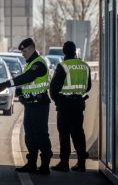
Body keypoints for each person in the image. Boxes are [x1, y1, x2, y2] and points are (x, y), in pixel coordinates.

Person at [0, 38, 53, 175]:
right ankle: (31, 164)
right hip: (30, 105)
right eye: (22, 51)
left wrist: (7, 84)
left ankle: (44, 166)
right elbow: (30, 84)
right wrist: (21, 92)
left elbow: (27, 77)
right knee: (30, 136)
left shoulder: (38, 64)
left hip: (39, 106)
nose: (23, 54)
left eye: (25, 51)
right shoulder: (31, 63)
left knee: (41, 135)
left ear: (32, 49)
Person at [49, 41, 92, 172]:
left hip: (65, 105)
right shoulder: (85, 66)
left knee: (64, 134)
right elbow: (88, 86)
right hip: (78, 104)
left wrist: (58, 101)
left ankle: (64, 163)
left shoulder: (63, 66)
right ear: (75, 52)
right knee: (79, 134)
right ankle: (81, 163)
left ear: (64, 51)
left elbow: (53, 88)